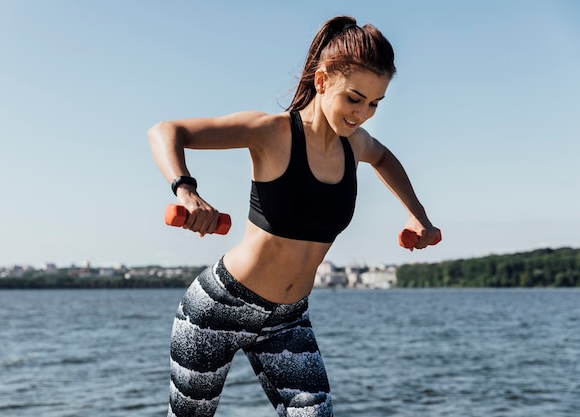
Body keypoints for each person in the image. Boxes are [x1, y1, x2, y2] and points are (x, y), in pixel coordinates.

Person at [148, 15, 441, 417]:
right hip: (218, 307)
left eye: (374, 103)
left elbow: (385, 158)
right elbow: (165, 130)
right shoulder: (272, 132)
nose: (363, 113)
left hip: (287, 321)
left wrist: (417, 215)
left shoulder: (355, 145)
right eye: (354, 98)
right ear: (322, 82)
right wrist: (187, 191)